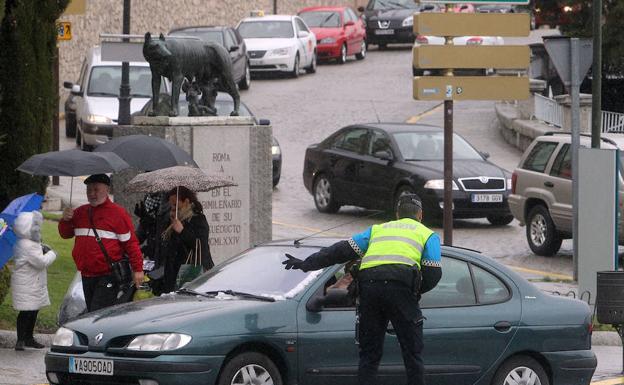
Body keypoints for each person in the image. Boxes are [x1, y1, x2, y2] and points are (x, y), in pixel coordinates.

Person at [282, 194, 442, 385]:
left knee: (369, 354)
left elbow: (340, 251)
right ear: (420, 214)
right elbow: (433, 274)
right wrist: (414, 292)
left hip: (370, 288)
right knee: (412, 353)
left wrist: (307, 263)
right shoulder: (427, 234)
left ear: (397, 214)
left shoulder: (377, 230)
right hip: (401, 288)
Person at [58, 174, 144, 312]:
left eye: (96, 189)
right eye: (89, 190)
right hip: (86, 274)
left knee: (97, 314)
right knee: (93, 312)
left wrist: (138, 269)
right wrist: (65, 220)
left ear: (107, 190)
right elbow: (65, 234)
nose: (92, 193)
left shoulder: (118, 214)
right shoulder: (80, 212)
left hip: (108, 274)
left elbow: (131, 244)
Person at [10, 211, 56, 351]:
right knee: (27, 311)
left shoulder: (22, 241)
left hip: (30, 282)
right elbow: (41, 262)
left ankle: (27, 338)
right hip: (29, 283)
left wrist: (41, 248)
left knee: (32, 310)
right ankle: (22, 339)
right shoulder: (29, 245)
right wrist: (51, 253)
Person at [159, 186, 213, 293]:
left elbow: (200, 245)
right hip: (173, 274)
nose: (173, 208)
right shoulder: (174, 221)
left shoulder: (198, 219)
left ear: (186, 201)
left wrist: (182, 231)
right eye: (171, 205)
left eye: (175, 204)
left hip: (192, 273)